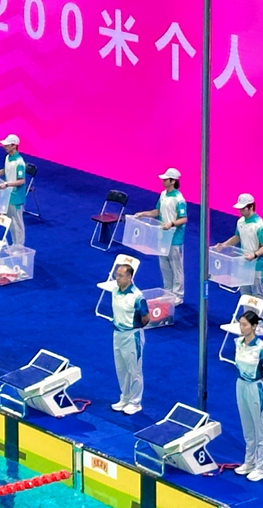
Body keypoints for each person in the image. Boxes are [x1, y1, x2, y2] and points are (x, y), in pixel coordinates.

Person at [131, 168, 188, 302]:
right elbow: (157, 211)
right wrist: (143, 214)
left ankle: (178, 295)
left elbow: (184, 219)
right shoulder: (163, 195)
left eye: (166, 179)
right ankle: (168, 292)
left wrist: (171, 224)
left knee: (176, 268)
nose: (163, 181)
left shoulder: (179, 199)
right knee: (165, 267)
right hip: (163, 237)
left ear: (173, 181)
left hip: (175, 239)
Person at [233, 310, 263, 481]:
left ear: (254, 326)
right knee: (247, 427)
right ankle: (249, 462)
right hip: (240, 384)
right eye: (240, 324)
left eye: (245, 325)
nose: (241, 328)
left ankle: (261, 467)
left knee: (260, 429)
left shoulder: (262, 348)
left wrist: (257, 386)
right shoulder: (238, 343)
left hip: (255, 387)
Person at [213, 193, 263, 299]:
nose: (240, 211)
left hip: (258, 266)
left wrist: (254, 255)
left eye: (243, 209)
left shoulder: (260, 226)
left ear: (251, 207)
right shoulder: (240, 222)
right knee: (245, 295)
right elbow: (237, 237)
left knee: (258, 296)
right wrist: (224, 245)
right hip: (244, 264)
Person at [110, 258, 148, 416]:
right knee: (121, 369)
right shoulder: (114, 291)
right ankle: (125, 397)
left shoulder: (137, 297)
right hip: (117, 334)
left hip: (132, 336)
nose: (117, 278)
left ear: (129, 277)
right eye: (116, 275)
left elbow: (146, 318)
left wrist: (134, 328)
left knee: (134, 371)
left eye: (120, 275)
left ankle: (135, 402)